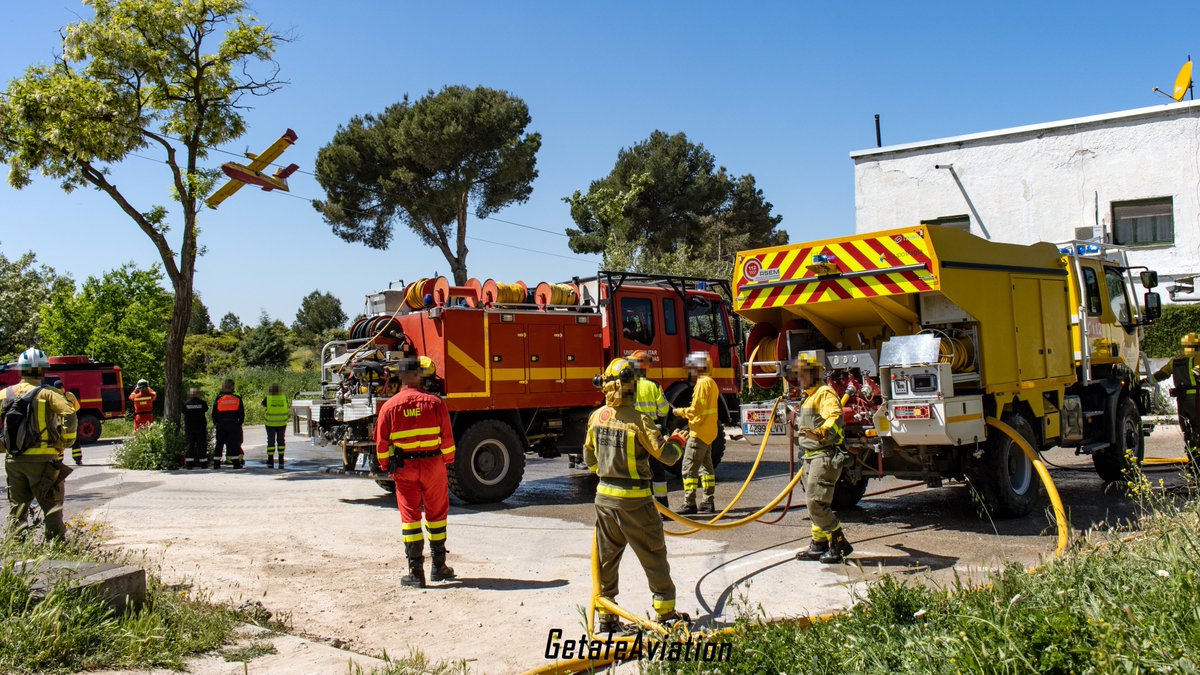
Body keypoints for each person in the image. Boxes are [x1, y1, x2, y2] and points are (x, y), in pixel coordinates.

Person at [585, 357, 690, 633]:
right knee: (653, 555)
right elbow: (666, 457)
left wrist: (604, 470)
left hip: (604, 502)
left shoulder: (596, 417)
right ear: (631, 387)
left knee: (607, 559)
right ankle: (666, 616)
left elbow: (589, 457)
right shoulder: (639, 421)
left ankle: (607, 617)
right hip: (635, 503)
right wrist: (679, 441)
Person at [375, 356, 457, 588]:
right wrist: (447, 461)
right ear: (420, 375)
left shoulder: (390, 406)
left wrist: (385, 466)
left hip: (405, 468)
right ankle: (439, 567)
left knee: (410, 518)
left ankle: (416, 573)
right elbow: (447, 438)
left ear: (400, 376)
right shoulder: (435, 403)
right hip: (433, 465)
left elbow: (381, 444)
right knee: (437, 514)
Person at [2, 348, 77, 540]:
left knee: (17, 508)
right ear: (44, 370)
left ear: (20, 371)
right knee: (51, 506)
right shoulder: (49, 394)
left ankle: (17, 547)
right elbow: (69, 414)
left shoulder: (5, 394)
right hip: (44, 461)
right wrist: (66, 441)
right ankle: (56, 547)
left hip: (14, 460)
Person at [791, 352, 853, 564]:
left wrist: (822, 432)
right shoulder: (808, 396)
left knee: (816, 502)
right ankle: (819, 544)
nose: (799, 378)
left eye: (803, 374)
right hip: (810, 456)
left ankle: (839, 542)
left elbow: (835, 417)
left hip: (824, 455)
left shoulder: (824, 393)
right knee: (812, 504)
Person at [672, 351, 719, 514]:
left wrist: (679, 412)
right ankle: (708, 502)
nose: (690, 371)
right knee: (706, 469)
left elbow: (695, 410)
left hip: (698, 433)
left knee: (688, 468)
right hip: (709, 432)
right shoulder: (712, 382)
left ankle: (689, 503)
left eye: (692, 368)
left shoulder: (702, 384)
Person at [629, 350, 672, 514]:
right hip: (652, 432)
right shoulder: (654, 386)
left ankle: (640, 510)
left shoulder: (627, 385)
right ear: (646, 367)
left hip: (633, 433)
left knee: (637, 470)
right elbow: (664, 410)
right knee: (657, 470)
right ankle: (663, 508)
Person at [1155, 332, 1200, 456]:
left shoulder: (1175, 360)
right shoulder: (1198, 357)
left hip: (1182, 400)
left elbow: (1161, 374)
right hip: (1196, 399)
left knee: (1188, 429)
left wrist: (1143, 381)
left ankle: (1192, 458)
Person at [45, 377, 83, 466]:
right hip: (72, 420)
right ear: (63, 387)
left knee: (59, 441)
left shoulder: (54, 396)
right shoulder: (70, 395)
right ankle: (78, 459)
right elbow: (77, 407)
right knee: (75, 440)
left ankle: (59, 460)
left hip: (59, 422)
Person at [211, 379, 245, 469]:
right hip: (233, 424)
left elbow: (214, 412)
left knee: (219, 444)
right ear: (232, 388)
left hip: (221, 424)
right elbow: (242, 413)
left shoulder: (219, 398)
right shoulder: (237, 399)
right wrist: (239, 423)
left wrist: (216, 422)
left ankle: (216, 463)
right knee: (233, 444)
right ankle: (236, 464)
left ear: (224, 388)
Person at [261, 384, 290, 469]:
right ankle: (281, 460)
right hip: (282, 423)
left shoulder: (268, 398)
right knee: (281, 441)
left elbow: (263, 404)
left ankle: (270, 461)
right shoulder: (284, 397)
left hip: (270, 423)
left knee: (271, 441)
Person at [182, 388, 208, 469]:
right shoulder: (202, 403)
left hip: (189, 428)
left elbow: (183, 411)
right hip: (200, 428)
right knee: (202, 446)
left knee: (190, 446)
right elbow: (206, 409)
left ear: (190, 394)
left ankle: (189, 464)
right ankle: (203, 464)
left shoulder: (186, 404)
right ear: (198, 394)